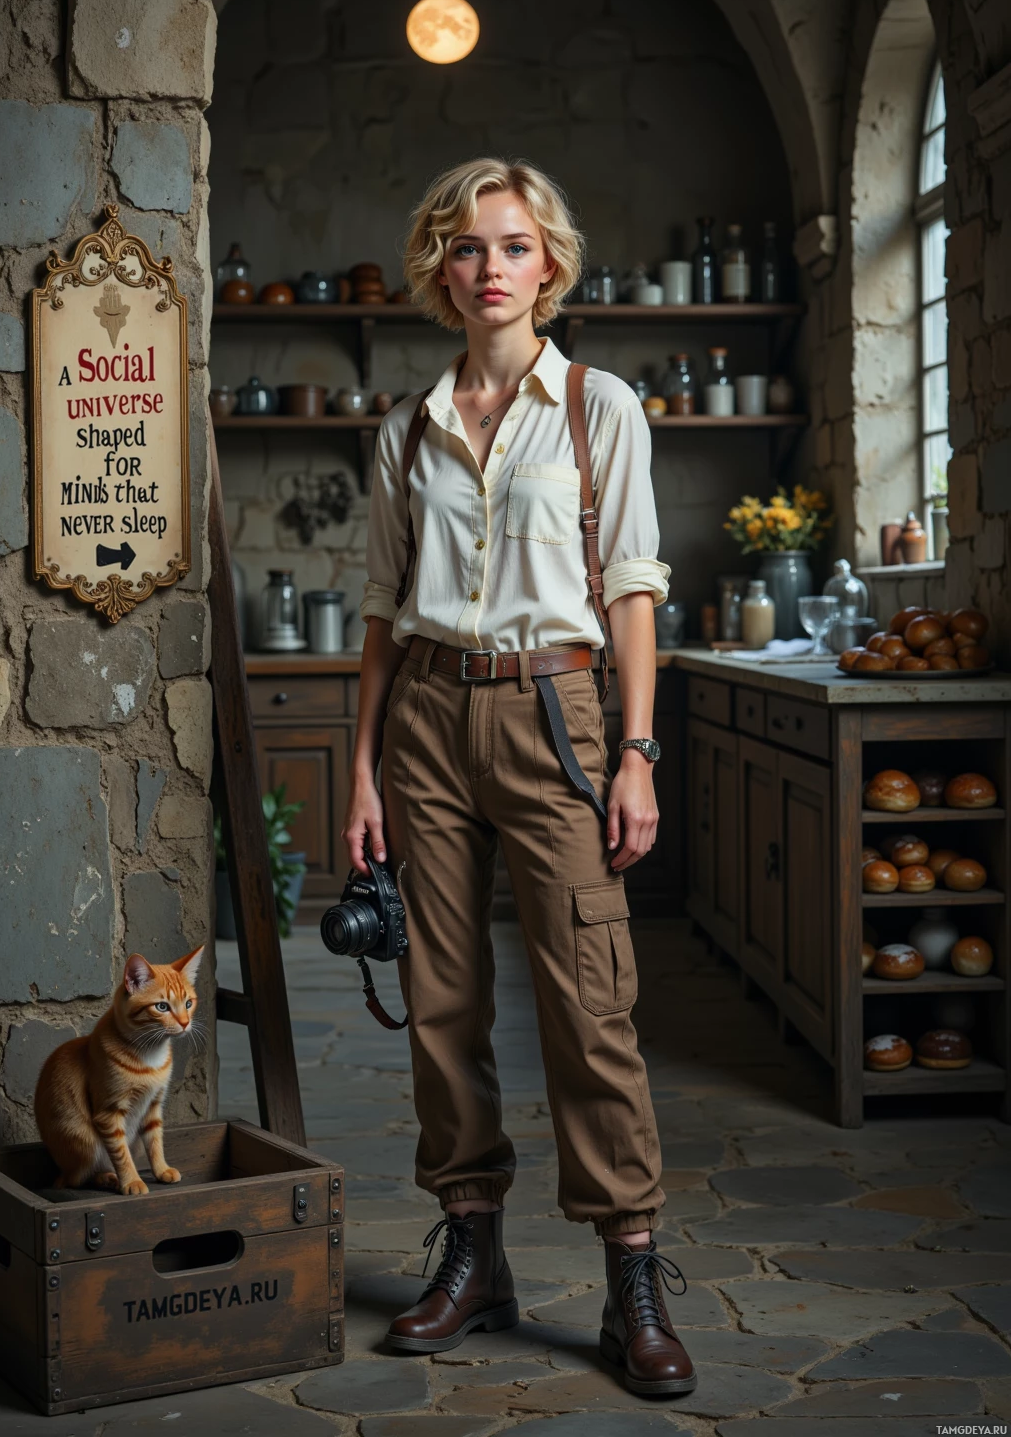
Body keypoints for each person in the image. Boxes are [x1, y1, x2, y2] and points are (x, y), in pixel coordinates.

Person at [343, 157, 695, 1396]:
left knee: (587, 999)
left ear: (548, 261)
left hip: (559, 712)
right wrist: (364, 776)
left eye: (509, 244)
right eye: (464, 248)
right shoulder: (407, 429)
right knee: (440, 1000)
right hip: (428, 719)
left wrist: (636, 754)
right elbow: (382, 613)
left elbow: (630, 594)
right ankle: (474, 1253)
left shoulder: (601, 409)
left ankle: (631, 1275)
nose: (487, 266)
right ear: (442, 270)